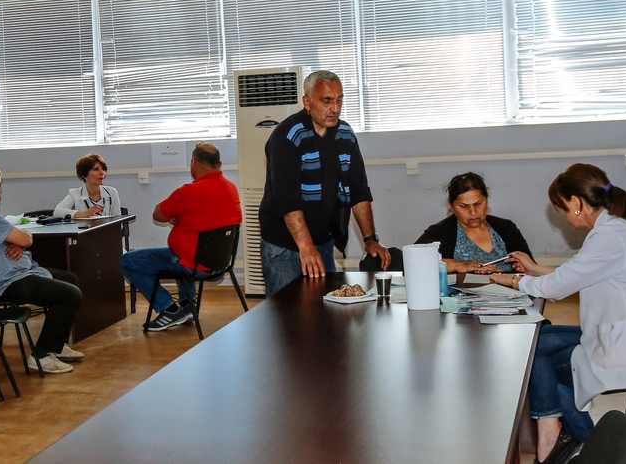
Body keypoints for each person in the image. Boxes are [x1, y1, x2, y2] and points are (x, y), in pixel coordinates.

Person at [490, 164, 626, 464]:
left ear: (575, 202)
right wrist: (534, 269)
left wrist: (512, 280)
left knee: (533, 352)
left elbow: (557, 287)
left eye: (561, 208)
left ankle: (554, 435)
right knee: (539, 351)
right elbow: (580, 274)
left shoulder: (611, 236)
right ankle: (574, 440)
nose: (563, 216)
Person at [258, 70, 390, 297]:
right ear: (307, 102)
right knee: (285, 312)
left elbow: (359, 191)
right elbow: (288, 201)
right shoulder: (287, 136)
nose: (335, 108)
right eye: (327, 101)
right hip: (284, 246)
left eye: (339, 100)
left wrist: (370, 239)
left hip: (323, 242)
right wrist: (306, 247)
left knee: (326, 309)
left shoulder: (345, 135)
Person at [0, 165, 84, 374]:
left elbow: (17, 238)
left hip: (14, 274)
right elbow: (25, 238)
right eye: (0, 186)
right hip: (4, 282)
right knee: (69, 294)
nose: (1, 190)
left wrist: (18, 243)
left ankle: (56, 346)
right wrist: (20, 241)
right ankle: (41, 356)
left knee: (69, 279)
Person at [120, 143, 242, 331]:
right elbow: (208, 218)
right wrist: (183, 217)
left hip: (192, 264)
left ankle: (168, 308)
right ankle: (187, 305)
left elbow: (158, 215)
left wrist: (176, 216)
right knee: (182, 252)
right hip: (220, 262)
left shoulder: (189, 191)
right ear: (219, 164)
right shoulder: (231, 188)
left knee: (128, 261)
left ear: (194, 162)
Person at [415, 172, 532, 273]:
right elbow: (412, 261)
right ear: (452, 205)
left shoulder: (506, 228)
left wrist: (523, 268)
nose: (473, 212)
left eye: (478, 204)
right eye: (463, 206)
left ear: (486, 199)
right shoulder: (439, 232)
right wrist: (457, 265)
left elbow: (530, 267)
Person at [54, 153, 121, 218]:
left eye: (103, 169)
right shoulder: (75, 194)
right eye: (96, 169)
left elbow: (118, 221)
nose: (102, 173)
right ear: (84, 174)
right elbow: (57, 212)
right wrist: (84, 213)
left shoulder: (112, 192)